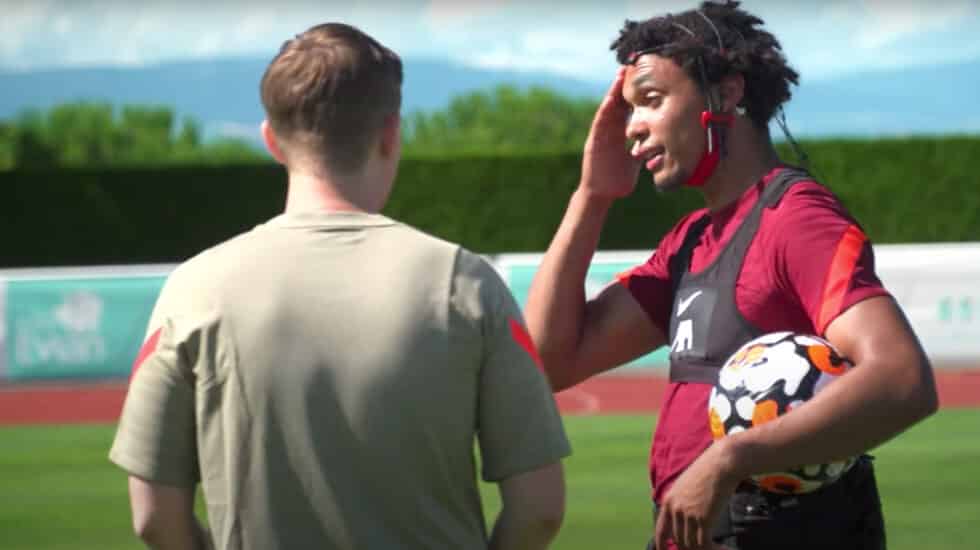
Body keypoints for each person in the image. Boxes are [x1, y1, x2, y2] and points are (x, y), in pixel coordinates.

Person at [109, 22, 570, 550]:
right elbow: (539, 508)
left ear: (271, 142)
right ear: (390, 134)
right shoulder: (466, 284)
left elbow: (152, 515)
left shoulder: (193, 288)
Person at [524, 2, 938, 549]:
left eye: (650, 100)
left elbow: (903, 379)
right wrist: (592, 196)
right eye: (629, 109)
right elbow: (549, 361)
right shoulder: (690, 241)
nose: (633, 127)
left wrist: (730, 456)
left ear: (727, 93)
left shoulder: (795, 218)